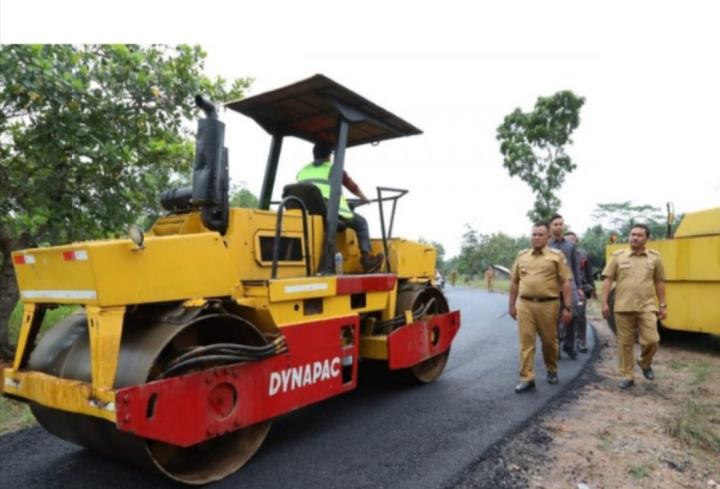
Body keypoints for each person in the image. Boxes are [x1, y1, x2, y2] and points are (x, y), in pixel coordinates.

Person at [297, 142, 384, 273]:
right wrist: (364, 198)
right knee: (361, 222)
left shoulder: (302, 171)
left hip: (307, 212)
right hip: (328, 213)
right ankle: (367, 261)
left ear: (314, 155)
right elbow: (351, 186)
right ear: (328, 156)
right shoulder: (333, 169)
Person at [509, 222, 573, 393]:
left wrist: (568, 307)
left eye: (540, 235)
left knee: (549, 342)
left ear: (548, 237)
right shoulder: (522, 256)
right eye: (534, 234)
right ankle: (527, 378)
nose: (536, 237)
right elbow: (515, 282)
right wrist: (511, 305)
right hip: (525, 304)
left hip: (548, 304)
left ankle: (552, 370)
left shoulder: (556, 256)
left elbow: (565, 282)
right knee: (526, 342)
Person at [601, 224, 666, 389]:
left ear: (646, 238)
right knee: (625, 343)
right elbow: (608, 280)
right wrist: (604, 302)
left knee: (652, 340)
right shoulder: (618, 257)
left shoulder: (655, 258)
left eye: (639, 235)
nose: (634, 238)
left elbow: (659, 282)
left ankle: (644, 362)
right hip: (623, 306)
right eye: (632, 234)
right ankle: (627, 375)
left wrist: (663, 305)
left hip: (647, 306)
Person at [548, 214, 584, 360]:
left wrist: (580, 287)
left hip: (570, 285)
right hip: (552, 286)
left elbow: (575, 267)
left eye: (561, 224)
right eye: (555, 224)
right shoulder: (546, 245)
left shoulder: (570, 245)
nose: (558, 226)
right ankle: (554, 346)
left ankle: (569, 345)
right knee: (553, 318)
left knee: (573, 315)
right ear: (551, 227)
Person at [565, 231, 595, 353]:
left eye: (573, 239)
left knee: (580, 315)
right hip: (562, 289)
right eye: (568, 239)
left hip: (580, 289)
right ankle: (563, 340)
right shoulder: (558, 254)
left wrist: (593, 289)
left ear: (576, 242)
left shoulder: (583, 255)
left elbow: (589, 273)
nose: (571, 241)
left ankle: (581, 341)